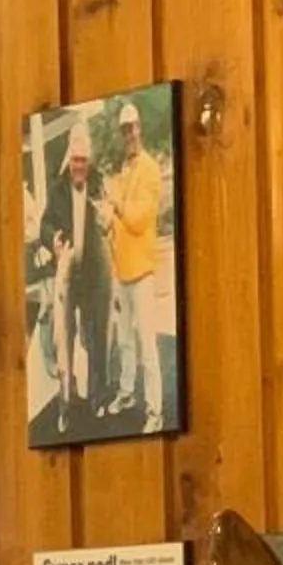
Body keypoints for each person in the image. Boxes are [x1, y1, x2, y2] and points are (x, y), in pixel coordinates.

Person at [33, 119, 114, 439]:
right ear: (69, 160)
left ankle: (98, 398)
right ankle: (67, 401)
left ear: (88, 161)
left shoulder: (97, 183)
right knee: (63, 340)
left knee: (96, 339)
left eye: (83, 160)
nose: (79, 166)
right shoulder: (57, 190)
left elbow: (109, 214)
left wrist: (108, 217)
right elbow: (44, 225)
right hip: (67, 277)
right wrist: (52, 238)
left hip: (93, 277)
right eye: (75, 160)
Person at [103, 98, 169, 430]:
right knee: (124, 341)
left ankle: (155, 411)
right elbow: (114, 222)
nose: (128, 134)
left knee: (147, 342)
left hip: (142, 271)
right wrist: (105, 220)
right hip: (120, 270)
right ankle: (127, 393)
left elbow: (139, 220)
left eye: (132, 128)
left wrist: (115, 205)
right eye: (123, 129)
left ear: (139, 128)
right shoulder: (122, 171)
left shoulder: (150, 170)